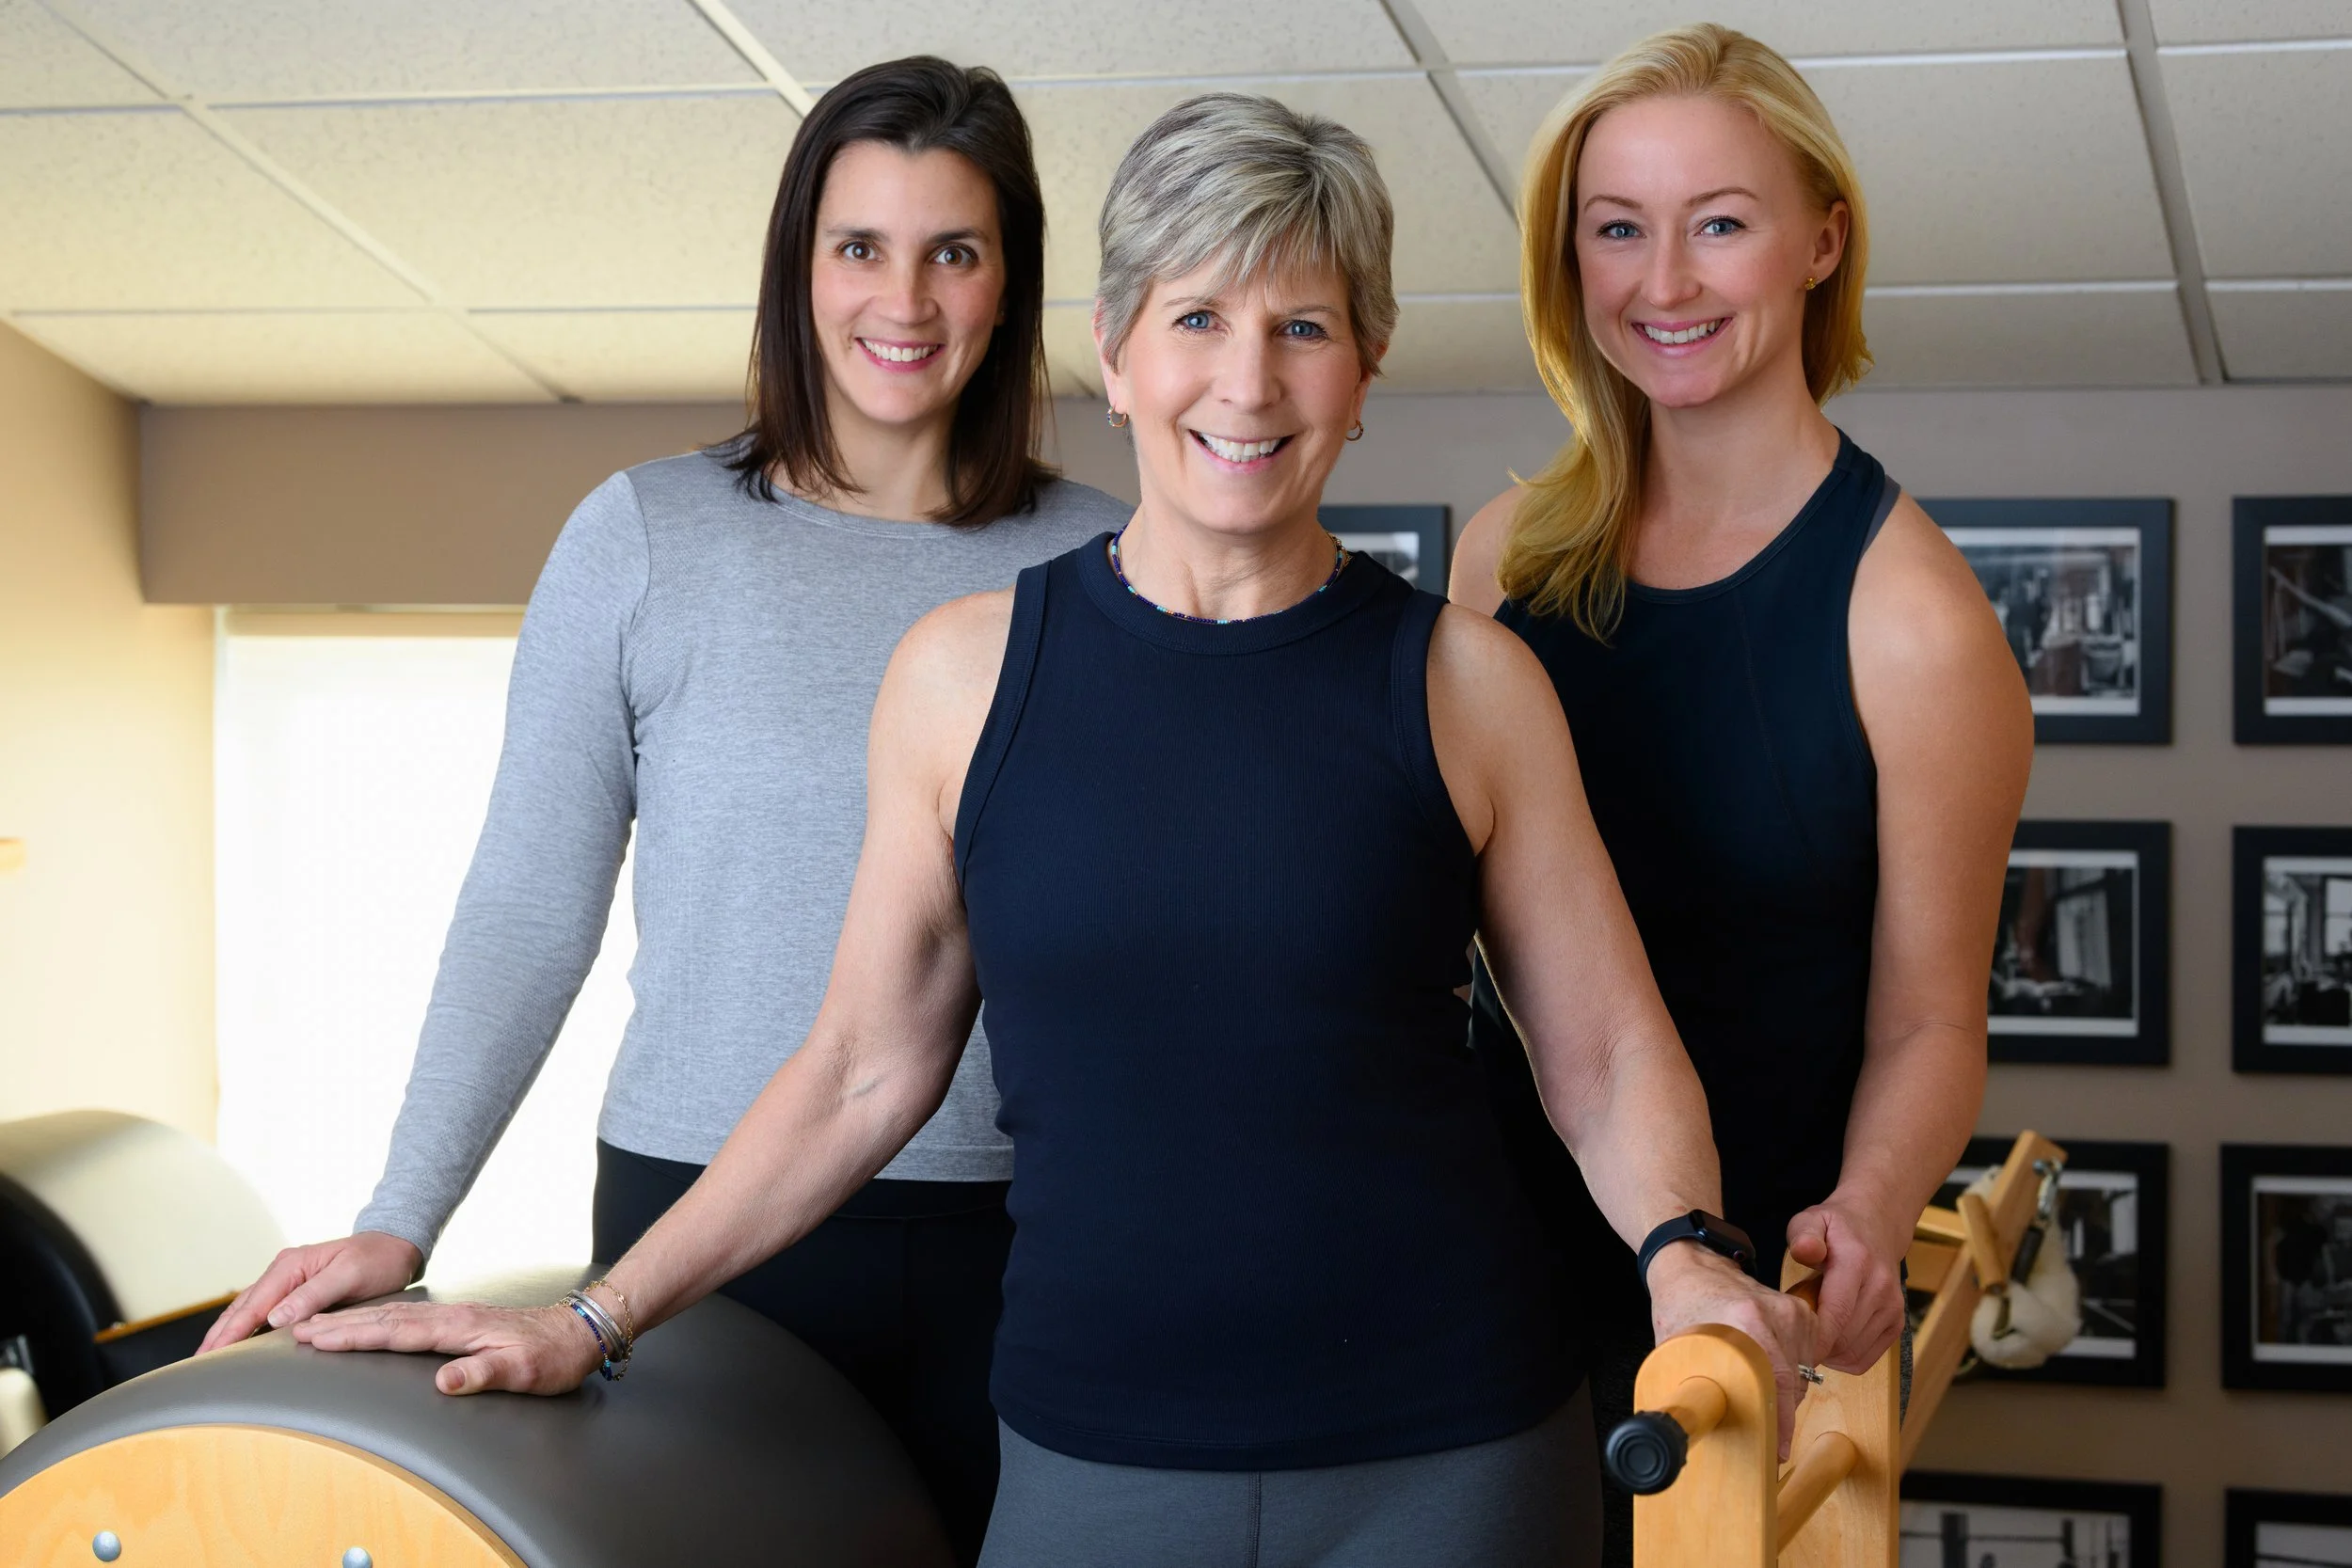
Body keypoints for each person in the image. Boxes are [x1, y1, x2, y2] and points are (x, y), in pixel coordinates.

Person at [290, 92, 1814, 1568]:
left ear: (1365, 367)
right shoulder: (962, 674)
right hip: (1096, 1453)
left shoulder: (1471, 681)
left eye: (1304, 327)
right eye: (1199, 320)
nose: (1249, 382)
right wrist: (592, 1316)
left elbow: (1603, 1049)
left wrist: (1684, 1243)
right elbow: (862, 1067)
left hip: (1455, 1442)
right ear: (1118, 348)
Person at [198, 56, 1133, 1563]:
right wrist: (401, 1211)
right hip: (698, 1230)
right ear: (798, 267)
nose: (905, 298)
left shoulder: (1106, 562)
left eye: (953, 250)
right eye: (860, 248)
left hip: (1024, 1236)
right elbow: (527, 900)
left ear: (1011, 281)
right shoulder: (646, 535)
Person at [1448, 25, 2033, 1560]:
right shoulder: (1502, 559)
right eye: (1617, 229)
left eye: (1720, 222)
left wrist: (1871, 1196)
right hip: (1471, 1252)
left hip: (1739, 1285)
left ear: (1819, 239)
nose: (1666, 282)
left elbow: (1930, 1020)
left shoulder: (1915, 619)